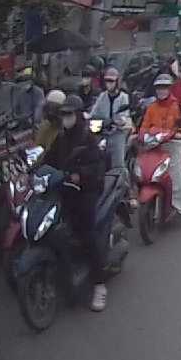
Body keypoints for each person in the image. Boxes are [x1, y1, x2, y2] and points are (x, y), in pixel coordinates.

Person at [46, 96, 110, 311]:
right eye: (63, 114)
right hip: (65, 188)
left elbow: (98, 166)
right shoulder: (61, 137)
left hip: (87, 190)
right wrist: (32, 168)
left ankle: (99, 284)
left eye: (69, 114)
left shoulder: (87, 138)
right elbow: (48, 159)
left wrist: (79, 175)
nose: (66, 118)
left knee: (86, 233)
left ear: (78, 114)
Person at [139, 74, 181, 229]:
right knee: (142, 172)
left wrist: (173, 134)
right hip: (154, 146)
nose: (161, 91)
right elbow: (144, 127)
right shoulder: (151, 107)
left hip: (173, 146)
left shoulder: (176, 106)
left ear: (169, 89)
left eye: (164, 87)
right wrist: (144, 134)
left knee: (178, 180)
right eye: (159, 88)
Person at [89, 67, 132, 171]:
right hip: (103, 132)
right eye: (107, 81)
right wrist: (100, 121)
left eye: (111, 81)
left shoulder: (124, 97)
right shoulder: (102, 96)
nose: (109, 84)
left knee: (118, 164)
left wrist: (115, 121)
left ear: (117, 82)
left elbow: (123, 118)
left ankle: (119, 176)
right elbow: (93, 114)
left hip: (118, 133)